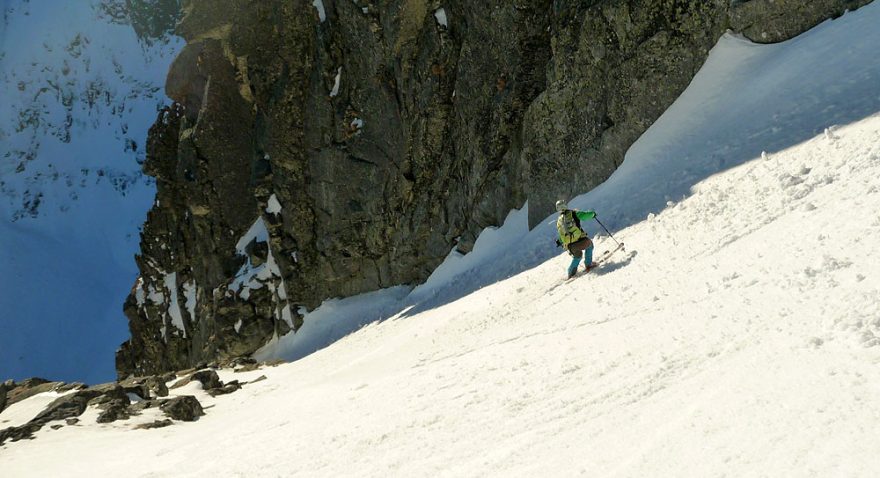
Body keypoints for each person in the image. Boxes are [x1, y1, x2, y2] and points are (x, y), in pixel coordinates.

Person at [555, 199, 597, 279]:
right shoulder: (573, 213)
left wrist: (560, 241)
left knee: (578, 256)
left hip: (570, 246)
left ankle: (571, 272)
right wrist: (593, 214)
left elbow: (562, 233)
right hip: (580, 241)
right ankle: (588, 264)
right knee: (589, 245)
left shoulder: (559, 220)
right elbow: (585, 215)